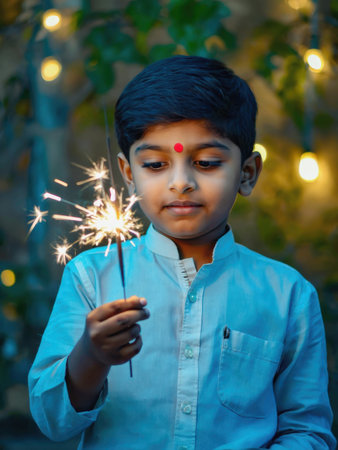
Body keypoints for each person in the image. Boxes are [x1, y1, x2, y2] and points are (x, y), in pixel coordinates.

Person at [28, 55, 336, 449]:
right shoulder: (90, 277)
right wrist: (90, 357)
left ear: (247, 173)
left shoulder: (288, 294)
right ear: (128, 174)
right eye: (156, 164)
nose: (181, 183)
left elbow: (307, 431)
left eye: (206, 162)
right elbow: (51, 423)